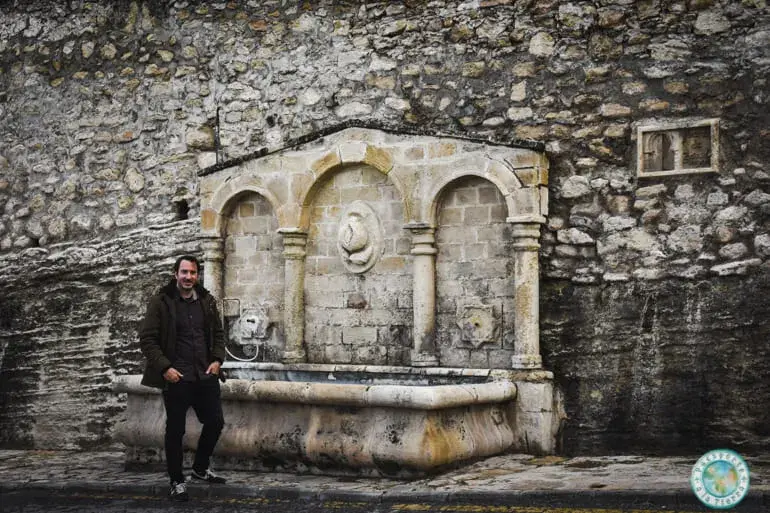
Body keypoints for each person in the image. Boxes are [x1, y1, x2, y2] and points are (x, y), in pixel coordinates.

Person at [139, 255, 227, 501]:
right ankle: (177, 481)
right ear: (175, 273)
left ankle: (200, 468)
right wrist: (165, 368)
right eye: (184, 272)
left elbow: (219, 335)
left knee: (215, 421)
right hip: (177, 377)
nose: (189, 277)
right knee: (175, 431)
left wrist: (217, 361)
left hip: (205, 374)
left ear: (197, 275)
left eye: (193, 273)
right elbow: (147, 339)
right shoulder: (161, 302)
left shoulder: (207, 301)